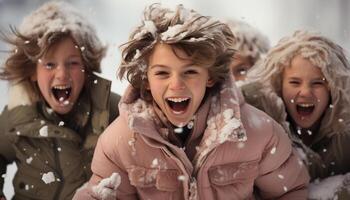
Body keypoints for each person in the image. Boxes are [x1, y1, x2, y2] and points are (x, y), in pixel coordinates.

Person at [73, 4, 309, 200]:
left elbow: (291, 192)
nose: (176, 85)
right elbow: (95, 193)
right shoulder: (121, 142)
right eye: (162, 73)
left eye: (190, 72)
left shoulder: (259, 133)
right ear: (145, 80)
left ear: (210, 76)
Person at [0, 2, 120, 200]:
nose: (62, 74)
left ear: (86, 68)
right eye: (49, 64)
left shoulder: (110, 109)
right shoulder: (18, 116)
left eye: (72, 63)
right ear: (32, 72)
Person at [241, 31, 350, 199]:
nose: (305, 92)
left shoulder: (346, 130)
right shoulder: (257, 125)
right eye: (294, 82)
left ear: (333, 88)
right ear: (279, 85)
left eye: (317, 83)